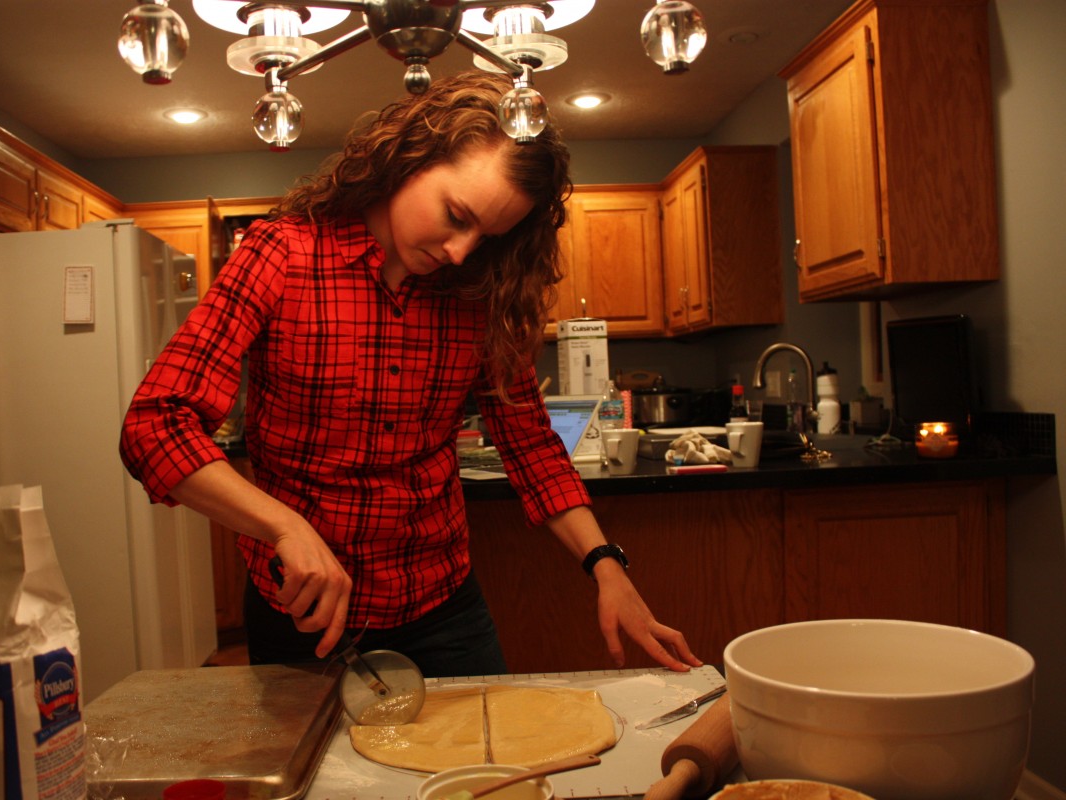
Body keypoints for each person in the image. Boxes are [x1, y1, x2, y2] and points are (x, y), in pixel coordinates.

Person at [120, 70, 702, 679]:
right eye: (456, 214)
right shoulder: (281, 255)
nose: (460, 250)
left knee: (481, 769)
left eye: (485, 236)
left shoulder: (479, 293)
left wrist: (607, 566)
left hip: (443, 606)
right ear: (407, 158)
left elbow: (532, 448)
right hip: (303, 612)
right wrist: (283, 526)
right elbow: (155, 426)